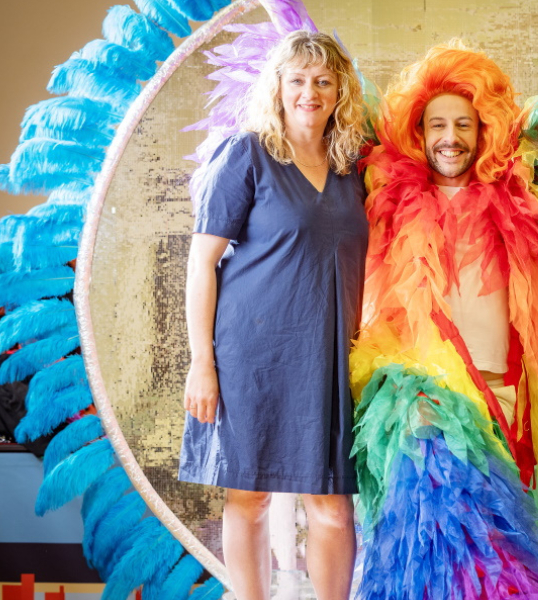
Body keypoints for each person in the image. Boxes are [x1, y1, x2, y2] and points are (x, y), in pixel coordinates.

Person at [348, 43, 538, 599]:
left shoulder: (515, 196)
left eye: (464, 124)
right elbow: (359, 96)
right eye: (437, 125)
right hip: (424, 390)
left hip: (503, 385)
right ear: (417, 133)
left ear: (486, 130)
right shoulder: (393, 199)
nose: (450, 137)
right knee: (437, 534)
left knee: (498, 538)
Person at [177, 30, 367, 600]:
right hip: (251, 356)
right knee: (250, 498)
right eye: (298, 79)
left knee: (332, 507)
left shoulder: (354, 164)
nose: (310, 91)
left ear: (340, 91)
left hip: (331, 357)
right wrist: (201, 364)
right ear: (278, 87)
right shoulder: (247, 153)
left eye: (323, 80)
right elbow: (201, 264)